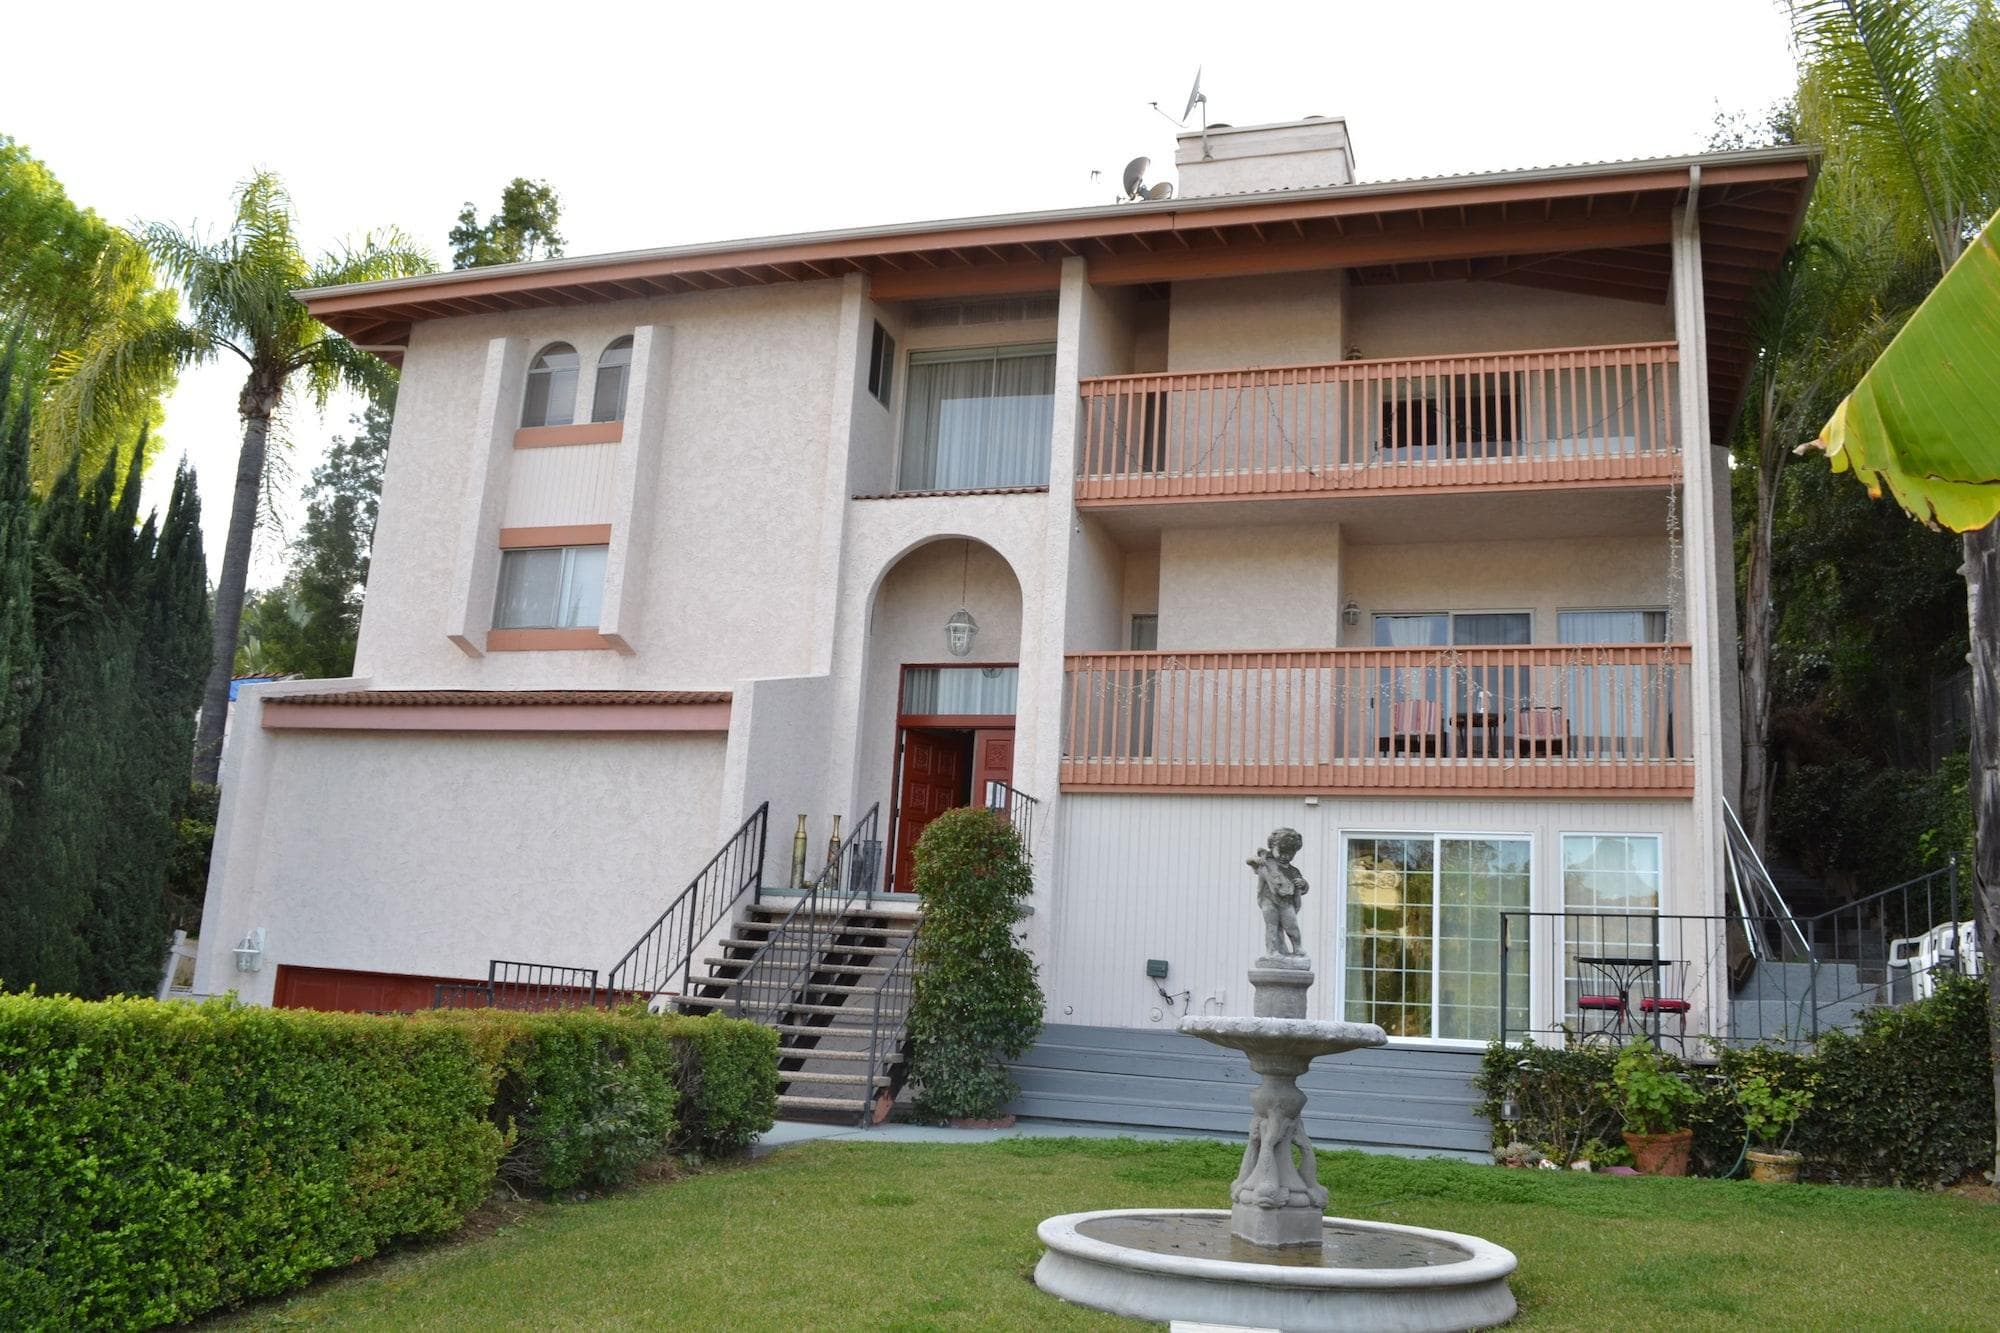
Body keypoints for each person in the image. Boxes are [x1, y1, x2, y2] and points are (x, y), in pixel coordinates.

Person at [1248, 827, 1308, 959]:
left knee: (1292, 926)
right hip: (1268, 901)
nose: (1285, 856)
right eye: (1282, 852)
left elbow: (1303, 887)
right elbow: (1250, 861)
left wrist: (1303, 884)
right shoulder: (1266, 863)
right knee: (1272, 926)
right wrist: (1256, 860)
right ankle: (1272, 951)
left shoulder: (1293, 870)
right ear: (1272, 847)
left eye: (1290, 853)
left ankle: (1297, 948)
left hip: (1286, 903)